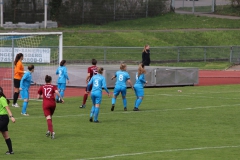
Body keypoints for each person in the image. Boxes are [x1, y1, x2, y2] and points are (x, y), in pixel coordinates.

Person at [37, 75, 64, 139]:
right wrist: (61, 98)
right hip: (53, 104)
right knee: (50, 117)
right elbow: (57, 92)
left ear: (45, 80)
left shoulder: (42, 87)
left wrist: (44, 97)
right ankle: (48, 130)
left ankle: (52, 132)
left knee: (48, 118)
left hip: (46, 104)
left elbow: (38, 97)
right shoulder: (53, 86)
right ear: (51, 80)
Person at [0, 87, 16, 154]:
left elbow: (7, 108)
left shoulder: (2, 99)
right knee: (5, 135)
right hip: (1, 118)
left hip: (3, 119)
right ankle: (11, 151)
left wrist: (11, 116)